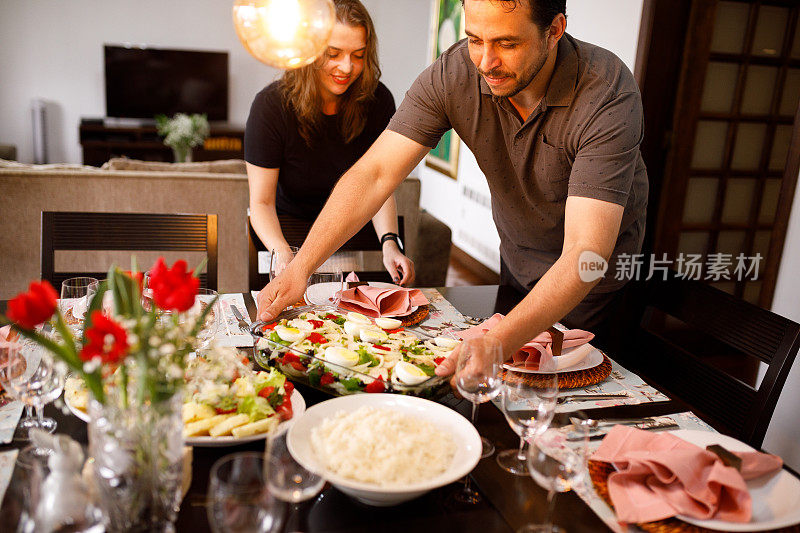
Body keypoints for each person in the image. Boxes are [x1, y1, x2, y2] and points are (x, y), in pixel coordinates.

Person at [256, 0, 648, 381]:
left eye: (507, 44)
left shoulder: (607, 91)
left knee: (564, 410)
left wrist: (499, 340)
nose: (485, 62)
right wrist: (302, 266)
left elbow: (587, 250)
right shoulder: (457, 71)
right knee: (502, 390)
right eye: (475, 39)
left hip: (593, 282)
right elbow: (374, 174)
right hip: (519, 259)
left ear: (554, 31)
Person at [245, 0, 415, 286]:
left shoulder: (378, 101)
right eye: (333, 54)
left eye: (358, 55)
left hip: (348, 229)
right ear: (309, 50)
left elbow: (379, 182)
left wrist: (389, 242)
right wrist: (284, 256)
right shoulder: (270, 106)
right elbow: (260, 203)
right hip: (287, 234)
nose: (346, 67)